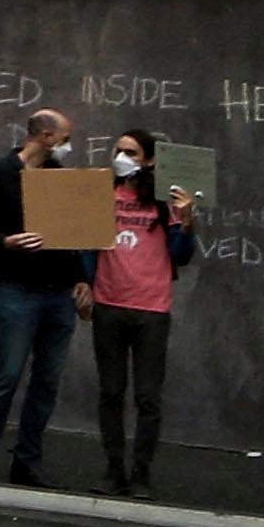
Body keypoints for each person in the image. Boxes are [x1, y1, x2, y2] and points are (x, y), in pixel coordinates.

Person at [0, 104, 92, 486]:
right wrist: (7, 242)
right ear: (45, 136)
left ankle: (27, 459)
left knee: (47, 380)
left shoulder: (58, 176)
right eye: (65, 139)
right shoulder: (0, 173)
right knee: (6, 374)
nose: (67, 146)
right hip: (18, 289)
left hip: (58, 292)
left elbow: (71, 236)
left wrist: (82, 279)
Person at [90, 127, 201, 499]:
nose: (122, 157)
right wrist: (83, 284)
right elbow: (86, 243)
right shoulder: (102, 193)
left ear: (149, 159)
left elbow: (181, 255)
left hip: (151, 308)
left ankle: (141, 473)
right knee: (110, 392)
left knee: (148, 397)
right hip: (109, 303)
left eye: (131, 152)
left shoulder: (164, 199)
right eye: (118, 150)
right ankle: (113, 469)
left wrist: (187, 222)